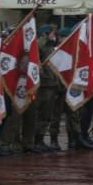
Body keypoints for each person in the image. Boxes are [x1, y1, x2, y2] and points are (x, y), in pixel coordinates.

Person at [33, 23, 59, 151]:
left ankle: (41, 139)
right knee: (42, 113)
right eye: (52, 32)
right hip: (44, 83)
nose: (54, 34)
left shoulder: (50, 46)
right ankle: (37, 140)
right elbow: (35, 58)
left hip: (51, 83)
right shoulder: (40, 44)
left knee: (47, 114)